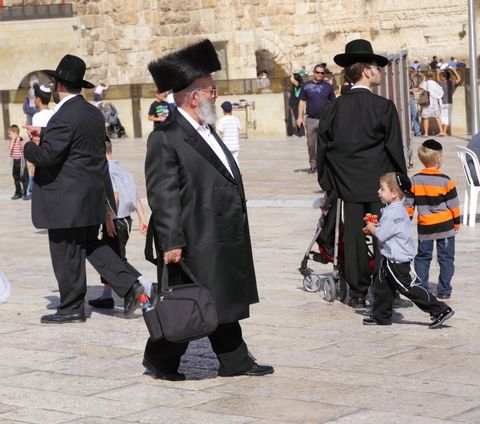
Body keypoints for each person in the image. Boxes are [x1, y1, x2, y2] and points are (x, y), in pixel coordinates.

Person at [144, 39, 273, 381]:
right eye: (211, 90)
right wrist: (171, 240)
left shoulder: (205, 130)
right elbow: (162, 194)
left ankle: (235, 360)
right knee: (191, 303)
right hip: (194, 235)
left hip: (220, 233)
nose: (216, 96)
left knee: (221, 298)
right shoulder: (166, 137)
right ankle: (160, 358)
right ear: (193, 96)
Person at [21, 54, 144, 324]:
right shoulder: (91, 113)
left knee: (65, 252)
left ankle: (71, 308)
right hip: (90, 197)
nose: (52, 88)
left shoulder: (63, 115)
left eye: (53, 84)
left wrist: (27, 146)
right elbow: (83, 150)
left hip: (66, 200)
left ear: (59, 85)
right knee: (90, 244)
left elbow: (47, 157)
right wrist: (45, 137)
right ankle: (132, 287)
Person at [317, 39, 407, 308]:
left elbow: (323, 151)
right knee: (384, 234)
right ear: (366, 71)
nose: (380, 70)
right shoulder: (384, 107)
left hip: (346, 187)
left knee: (354, 237)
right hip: (380, 187)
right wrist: (401, 182)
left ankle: (357, 291)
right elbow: (394, 149)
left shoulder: (332, 109)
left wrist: (328, 184)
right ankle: (383, 287)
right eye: (377, 66)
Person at [362, 172, 454, 328]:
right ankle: (381, 316)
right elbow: (390, 231)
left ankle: (440, 309)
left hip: (397, 260)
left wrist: (372, 228)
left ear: (394, 193)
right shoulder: (396, 210)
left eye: (382, 189)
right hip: (389, 257)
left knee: (408, 288)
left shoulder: (393, 213)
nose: (378, 191)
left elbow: (382, 235)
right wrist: (376, 227)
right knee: (383, 286)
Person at [89, 137, 149, 309]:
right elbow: (135, 197)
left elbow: (113, 194)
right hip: (125, 221)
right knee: (112, 257)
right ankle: (106, 296)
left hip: (115, 222)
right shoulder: (124, 170)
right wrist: (142, 218)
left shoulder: (106, 171)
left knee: (115, 261)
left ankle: (148, 289)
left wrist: (109, 217)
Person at [405, 139, 460, 299]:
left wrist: (406, 221)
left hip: (426, 227)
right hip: (445, 227)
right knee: (446, 258)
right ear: (439, 160)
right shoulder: (446, 181)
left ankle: (421, 288)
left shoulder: (414, 180)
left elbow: (409, 205)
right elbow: (454, 205)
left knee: (423, 257)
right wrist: (456, 222)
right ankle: (444, 290)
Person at [296, 64, 335, 174]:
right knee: (311, 144)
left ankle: (324, 165)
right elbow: (302, 102)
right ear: (314, 73)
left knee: (325, 144)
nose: (319, 75)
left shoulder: (328, 87)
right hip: (311, 120)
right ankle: (313, 164)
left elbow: (333, 103)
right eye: (317, 72)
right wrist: (299, 117)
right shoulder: (306, 86)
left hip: (325, 120)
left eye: (322, 73)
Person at [26, 83, 55, 200]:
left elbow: (36, 139)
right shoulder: (54, 114)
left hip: (41, 155)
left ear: (37, 99)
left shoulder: (36, 117)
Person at [419, 72, 445, 136]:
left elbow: (419, 87)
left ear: (426, 77)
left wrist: (423, 80)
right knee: (437, 117)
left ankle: (426, 133)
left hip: (427, 102)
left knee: (426, 118)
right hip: (434, 102)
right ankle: (441, 131)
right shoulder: (435, 83)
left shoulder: (425, 83)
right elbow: (441, 91)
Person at [437, 69, 462, 135]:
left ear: (443, 77)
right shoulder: (451, 83)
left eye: (441, 76)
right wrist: (454, 71)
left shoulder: (440, 83)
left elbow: (437, 80)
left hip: (441, 102)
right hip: (449, 102)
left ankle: (441, 131)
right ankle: (444, 132)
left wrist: (437, 72)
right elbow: (459, 79)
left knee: (440, 117)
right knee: (447, 117)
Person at [8, 124, 28, 200]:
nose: (9, 136)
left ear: (15, 133)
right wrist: (13, 140)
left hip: (21, 161)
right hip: (14, 161)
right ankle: (18, 192)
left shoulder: (21, 140)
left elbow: (24, 150)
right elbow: (10, 149)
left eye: (10, 134)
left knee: (24, 177)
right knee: (16, 177)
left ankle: (26, 193)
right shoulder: (11, 141)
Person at [288, 71, 305, 137]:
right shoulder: (296, 86)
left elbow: (292, 80)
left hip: (297, 104)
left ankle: (301, 132)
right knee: (296, 118)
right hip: (294, 104)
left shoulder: (299, 84)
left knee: (299, 118)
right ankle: (298, 132)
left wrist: (291, 75)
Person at [408, 67, 421, 137]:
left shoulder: (411, 79)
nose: (414, 73)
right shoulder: (407, 79)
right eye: (413, 72)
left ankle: (412, 131)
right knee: (414, 115)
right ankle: (417, 131)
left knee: (411, 115)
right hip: (409, 99)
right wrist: (413, 90)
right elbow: (405, 89)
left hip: (411, 98)